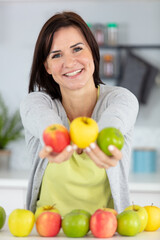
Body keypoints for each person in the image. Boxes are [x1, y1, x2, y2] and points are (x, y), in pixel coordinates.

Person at [20, 11, 139, 216]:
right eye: (56, 55)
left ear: (92, 51)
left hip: (106, 235)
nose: (69, 62)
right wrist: (54, 139)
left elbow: (114, 122)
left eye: (77, 49)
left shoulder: (121, 99)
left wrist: (102, 142)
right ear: (47, 67)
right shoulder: (37, 103)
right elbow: (45, 122)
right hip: (46, 234)